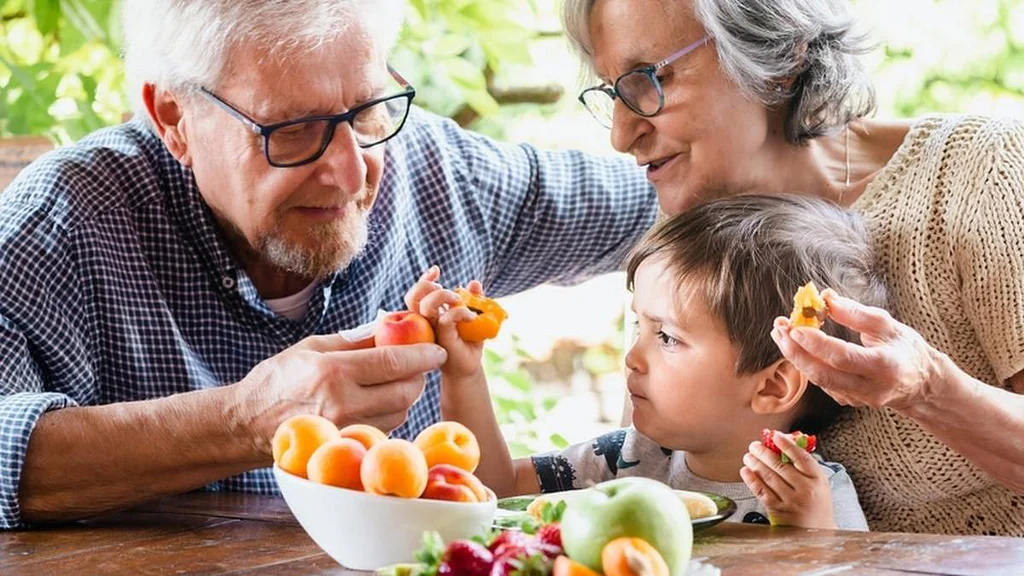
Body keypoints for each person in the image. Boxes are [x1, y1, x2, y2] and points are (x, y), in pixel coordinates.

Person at [0, 0, 658, 529]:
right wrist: (245, 421)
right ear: (173, 116)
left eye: (367, 111)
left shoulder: (444, 177)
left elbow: (669, 197)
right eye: (291, 129)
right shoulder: (61, 226)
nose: (349, 173)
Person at [560, 0, 1024, 535]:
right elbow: (654, 490)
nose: (621, 135)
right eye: (612, 90)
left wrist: (926, 391)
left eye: (647, 79)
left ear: (778, 56)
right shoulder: (683, 250)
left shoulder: (975, 174)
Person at [408, 195, 885, 530]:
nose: (633, 358)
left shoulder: (813, 494)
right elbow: (497, 489)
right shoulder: (629, 459)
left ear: (772, 386)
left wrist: (814, 532)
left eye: (668, 337)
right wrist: (464, 372)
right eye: (639, 328)